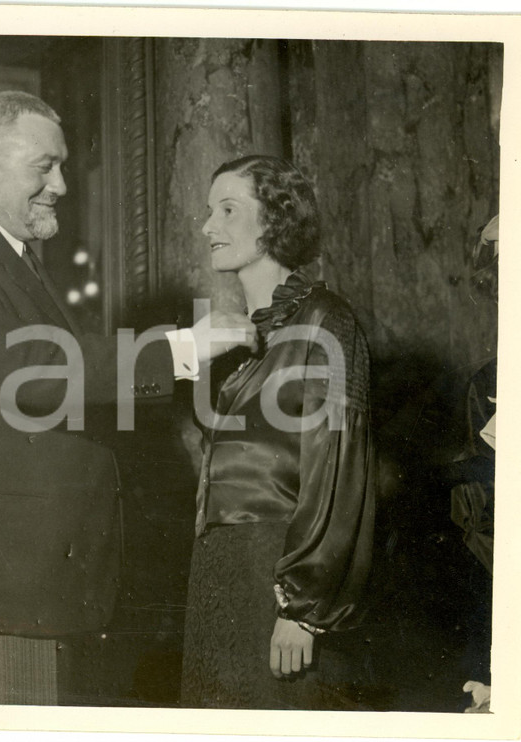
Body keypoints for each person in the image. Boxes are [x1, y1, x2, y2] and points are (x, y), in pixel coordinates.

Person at [0, 90, 256, 705]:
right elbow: (33, 368)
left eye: (63, 165)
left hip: (33, 587)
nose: (62, 185)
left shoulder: (1, 254)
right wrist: (181, 349)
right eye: (44, 167)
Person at [180, 155, 376, 709]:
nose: (207, 227)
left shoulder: (325, 321)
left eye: (227, 210)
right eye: (207, 211)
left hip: (280, 578)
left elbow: (337, 472)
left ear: (275, 220)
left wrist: (303, 608)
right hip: (224, 573)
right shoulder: (243, 337)